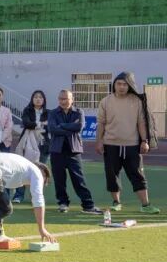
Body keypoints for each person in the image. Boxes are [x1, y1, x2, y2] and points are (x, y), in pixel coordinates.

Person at [95, 72, 160, 213]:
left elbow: (141, 123)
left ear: (129, 85)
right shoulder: (106, 101)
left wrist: (145, 141)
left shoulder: (136, 101)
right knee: (112, 175)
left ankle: (145, 205)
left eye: (125, 84)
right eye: (119, 84)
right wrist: (99, 141)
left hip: (132, 145)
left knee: (138, 175)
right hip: (110, 144)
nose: (122, 87)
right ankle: (116, 202)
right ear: (114, 85)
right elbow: (101, 123)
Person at [48, 90, 101, 215]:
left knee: (79, 179)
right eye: (61, 99)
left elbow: (79, 127)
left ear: (72, 99)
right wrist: (69, 127)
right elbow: (52, 129)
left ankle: (88, 205)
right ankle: (63, 203)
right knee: (59, 180)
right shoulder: (53, 113)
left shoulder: (78, 112)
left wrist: (61, 126)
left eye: (66, 99)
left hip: (74, 151)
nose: (63, 101)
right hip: (57, 150)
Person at [14, 90, 49, 203]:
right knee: (23, 169)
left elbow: (51, 126)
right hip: (27, 144)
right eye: (35, 97)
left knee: (40, 171)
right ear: (32, 99)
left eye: (40, 97)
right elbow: (26, 123)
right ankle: (19, 196)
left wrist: (35, 125)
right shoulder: (27, 110)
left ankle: (37, 195)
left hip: (43, 144)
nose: (38, 99)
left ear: (44, 100)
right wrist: (41, 124)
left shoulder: (49, 112)